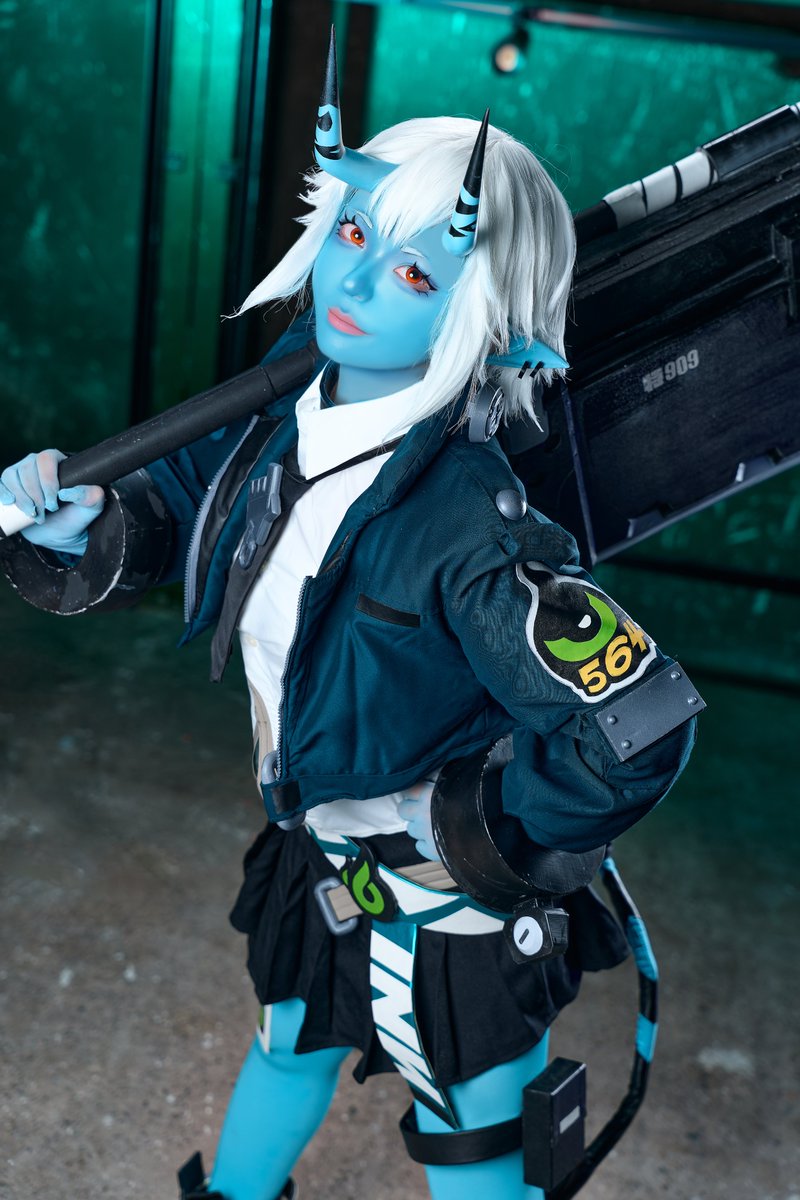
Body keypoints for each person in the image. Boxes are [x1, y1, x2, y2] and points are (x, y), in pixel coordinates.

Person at [0, 34, 698, 1200]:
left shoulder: (472, 524)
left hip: (451, 911)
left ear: (486, 318)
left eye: (419, 277)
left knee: (472, 1136)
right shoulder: (291, 388)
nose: (357, 286)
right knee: (287, 1046)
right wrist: (88, 526)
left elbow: (637, 722)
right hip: (318, 846)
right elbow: (187, 495)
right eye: (357, 236)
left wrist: (484, 830)